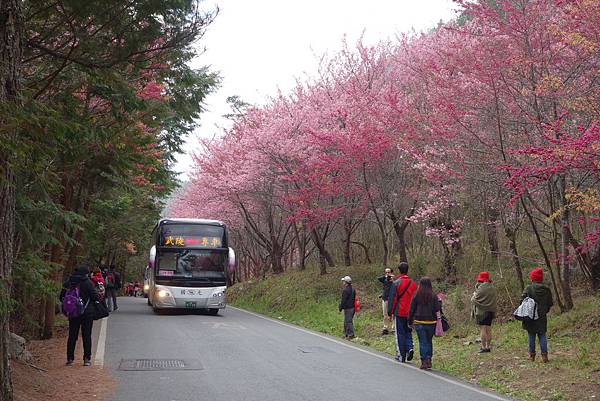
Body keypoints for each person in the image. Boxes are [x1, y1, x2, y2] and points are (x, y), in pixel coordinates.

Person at [59, 265, 100, 367]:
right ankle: (86, 359)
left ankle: (70, 358)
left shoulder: (68, 282)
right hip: (87, 313)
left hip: (73, 313)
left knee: (72, 336)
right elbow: (95, 297)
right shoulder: (88, 282)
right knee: (86, 335)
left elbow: (61, 297)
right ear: (86, 273)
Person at [408, 277, 441, 370]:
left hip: (419, 321)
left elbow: (411, 309)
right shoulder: (433, 296)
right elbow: (437, 309)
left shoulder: (416, 295)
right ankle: (429, 359)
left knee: (422, 341)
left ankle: (424, 361)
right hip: (431, 322)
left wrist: (409, 321)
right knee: (429, 340)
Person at [387, 261, 417, 362]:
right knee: (408, 331)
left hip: (400, 311)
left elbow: (393, 299)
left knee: (400, 333)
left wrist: (390, 312)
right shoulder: (413, 284)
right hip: (411, 312)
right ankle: (410, 348)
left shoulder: (396, 283)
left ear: (399, 270)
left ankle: (401, 355)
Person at [522, 267, 553, 363]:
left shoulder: (529, 288)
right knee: (542, 334)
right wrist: (544, 310)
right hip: (542, 316)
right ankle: (545, 356)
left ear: (532, 278)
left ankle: (532, 356)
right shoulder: (547, 289)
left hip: (530, 316)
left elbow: (522, 301)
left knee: (531, 334)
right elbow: (550, 303)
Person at [471, 271, 497, 353]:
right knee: (488, 329)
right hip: (490, 311)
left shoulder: (481, 288)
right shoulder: (493, 288)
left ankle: (483, 347)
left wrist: (474, 294)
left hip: (481, 312)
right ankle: (488, 347)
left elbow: (474, 300)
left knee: (483, 329)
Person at [377, 267, 394, 335]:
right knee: (385, 314)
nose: (387, 273)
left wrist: (392, 279)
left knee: (392, 314)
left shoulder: (393, 280)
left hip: (391, 299)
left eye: (388, 272)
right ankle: (385, 328)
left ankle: (393, 328)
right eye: (386, 272)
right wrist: (386, 276)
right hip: (385, 298)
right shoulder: (384, 279)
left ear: (391, 272)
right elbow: (379, 278)